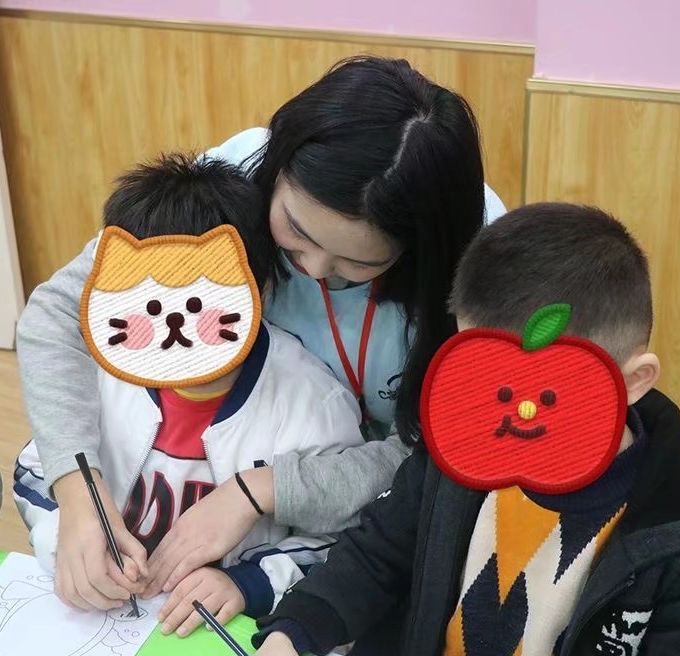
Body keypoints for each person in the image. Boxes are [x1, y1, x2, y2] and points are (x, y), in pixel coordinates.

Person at [14, 56, 506, 610]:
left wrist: (261, 491)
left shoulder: (474, 266)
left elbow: (431, 457)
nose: (313, 269)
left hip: (355, 533)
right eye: (295, 231)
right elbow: (61, 313)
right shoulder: (231, 181)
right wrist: (80, 497)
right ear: (278, 167)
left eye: (357, 264)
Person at [252, 203, 680, 656]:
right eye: (482, 375)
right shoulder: (465, 439)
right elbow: (379, 552)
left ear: (634, 380)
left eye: (543, 390)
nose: (509, 413)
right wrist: (295, 629)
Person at [13, 154, 365, 637]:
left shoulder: (312, 403)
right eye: (149, 305)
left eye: (199, 304)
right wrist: (66, 532)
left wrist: (248, 582)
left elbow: (344, 538)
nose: (175, 327)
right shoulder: (99, 373)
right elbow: (35, 470)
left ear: (260, 288)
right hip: (105, 624)